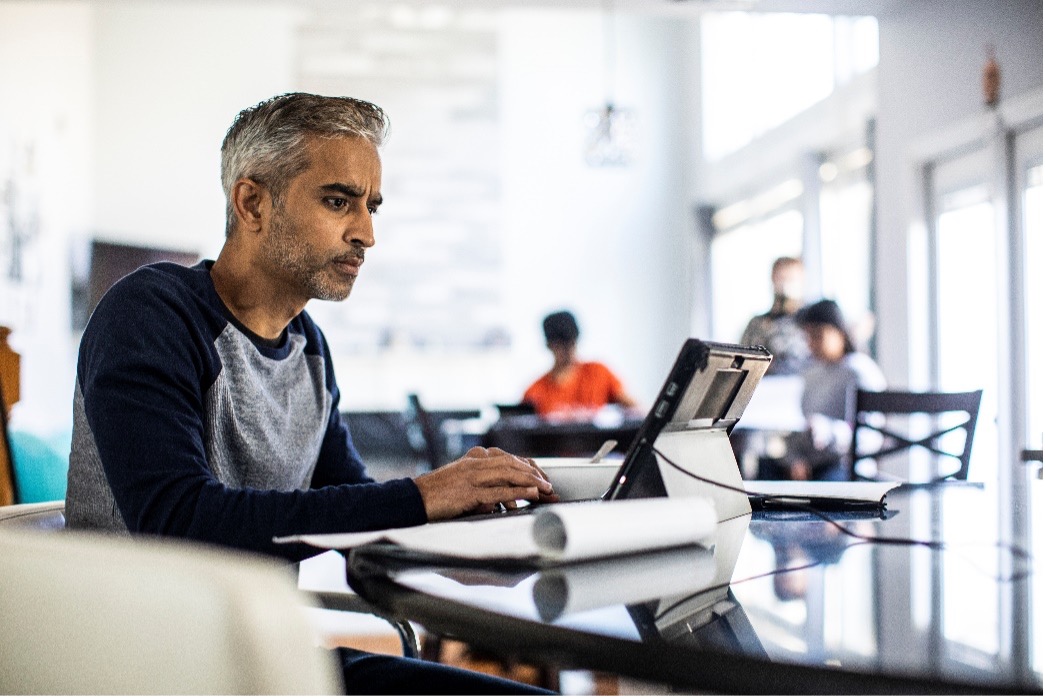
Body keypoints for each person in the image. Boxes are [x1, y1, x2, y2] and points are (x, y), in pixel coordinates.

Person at [65, 92, 556, 694]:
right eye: (337, 201)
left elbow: (353, 511)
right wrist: (420, 496)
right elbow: (179, 521)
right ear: (252, 203)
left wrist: (478, 533)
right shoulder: (151, 313)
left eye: (372, 207)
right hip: (143, 670)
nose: (367, 234)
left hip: (257, 661)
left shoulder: (307, 346)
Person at [763, 299, 886, 481]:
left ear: (840, 332)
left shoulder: (860, 372)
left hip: (847, 465)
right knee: (764, 472)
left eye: (818, 335)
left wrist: (829, 431)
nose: (812, 344)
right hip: (813, 464)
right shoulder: (811, 373)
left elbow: (870, 437)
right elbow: (804, 428)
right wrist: (794, 459)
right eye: (808, 337)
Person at [522, 310, 639, 418]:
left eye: (571, 343)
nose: (568, 351)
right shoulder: (535, 392)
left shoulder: (598, 373)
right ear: (549, 346)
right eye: (561, 346)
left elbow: (636, 409)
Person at [739, 256, 810, 375]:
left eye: (791, 279)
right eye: (781, 278)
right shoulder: (757, 324)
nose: (785, 284)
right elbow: (742, 363)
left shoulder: (812, 323)